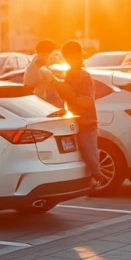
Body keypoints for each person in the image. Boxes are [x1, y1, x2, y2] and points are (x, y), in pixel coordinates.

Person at [41, 41, 104, 187]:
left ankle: (98, 178)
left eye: (71, 56)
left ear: (79, 55)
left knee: (89, 152)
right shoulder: (70, 73)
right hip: (75, 121)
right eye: (66, 56)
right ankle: (89, 182)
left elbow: (87, 101)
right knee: (81, 155)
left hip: (87, 122)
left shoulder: (84, 76)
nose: (69, 59)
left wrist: (65, 90)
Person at [24, 39, 63, 108]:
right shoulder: (33, 69)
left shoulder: (45, 66)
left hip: (52, 106)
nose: (54, 56)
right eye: (52, 53)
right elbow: (28, 88)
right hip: (42, 106)